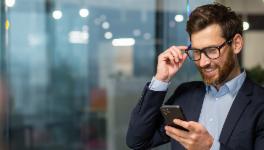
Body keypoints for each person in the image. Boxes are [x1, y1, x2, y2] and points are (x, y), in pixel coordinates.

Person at [126, 3, 264, 150]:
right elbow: (137, 140)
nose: (203, 62)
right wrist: (161, 79)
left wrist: (211, 147)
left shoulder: (260, 104)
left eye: (211, 50)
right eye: (197, 52)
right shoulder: (185, 94)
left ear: (236, 44)